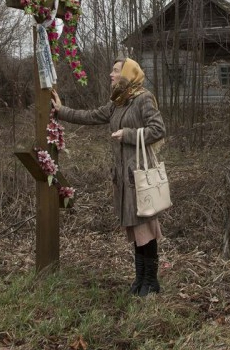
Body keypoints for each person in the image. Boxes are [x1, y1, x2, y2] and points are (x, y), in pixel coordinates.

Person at [50, 57, 166, 297]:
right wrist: (61, 111)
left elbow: (158, 129)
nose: (111, 76)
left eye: (115, 71)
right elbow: (92, 116)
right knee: (135, 228)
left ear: (128, 74)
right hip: (123, 176)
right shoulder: (117, 102)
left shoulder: (143, 98)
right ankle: (139, 279)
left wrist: (129, 134)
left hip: (140, 175)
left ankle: (151, 281)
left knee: (145, 227)